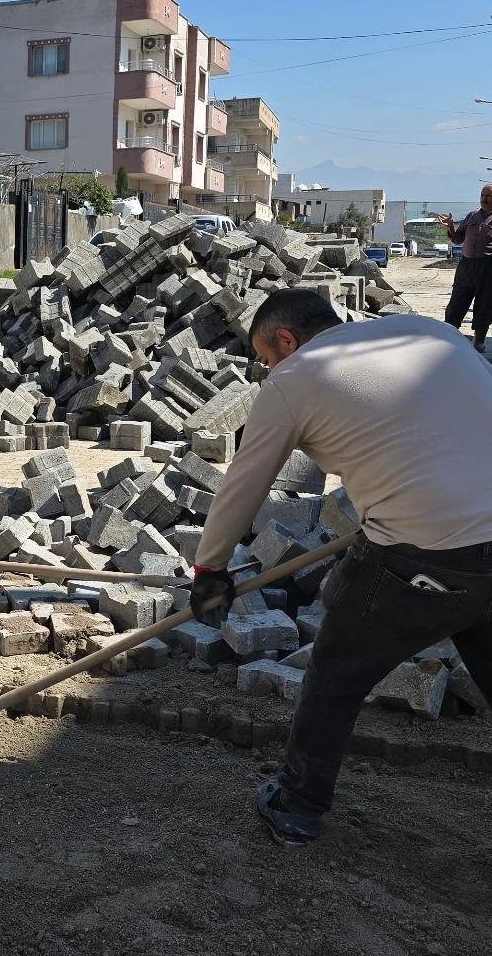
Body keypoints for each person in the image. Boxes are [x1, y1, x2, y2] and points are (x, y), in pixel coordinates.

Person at [190, 289, 492, 847]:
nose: (268, 370)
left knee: (335, 675)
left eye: (265, 357)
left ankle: (297, 806)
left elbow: (245, 483)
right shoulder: (426, 331)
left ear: (287, 340)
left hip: (421, 554)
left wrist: (210, 570)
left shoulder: (296, 377)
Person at [438, 183, 492, 349]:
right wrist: (451, 227)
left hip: (488, 268)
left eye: (488, 195)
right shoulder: (471, 216)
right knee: (457, 302)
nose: (484, 199)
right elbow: (457, 240)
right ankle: (449, 339)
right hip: (466, 266)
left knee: (484, 305)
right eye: (482, 195)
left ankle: (479, 342)